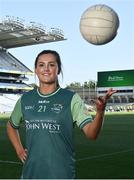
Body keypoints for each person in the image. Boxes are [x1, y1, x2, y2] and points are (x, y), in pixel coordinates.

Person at [7, 50, 117, 179]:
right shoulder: (25, 99)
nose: (46, 69)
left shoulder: (71, 98)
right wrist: (19, 149)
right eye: (41, 65)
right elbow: (11, 126)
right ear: (36, 70)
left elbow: (91, 134)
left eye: (51, 65)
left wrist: (100, 111)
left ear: (58, 69)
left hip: (61, 174)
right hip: (30, 174)